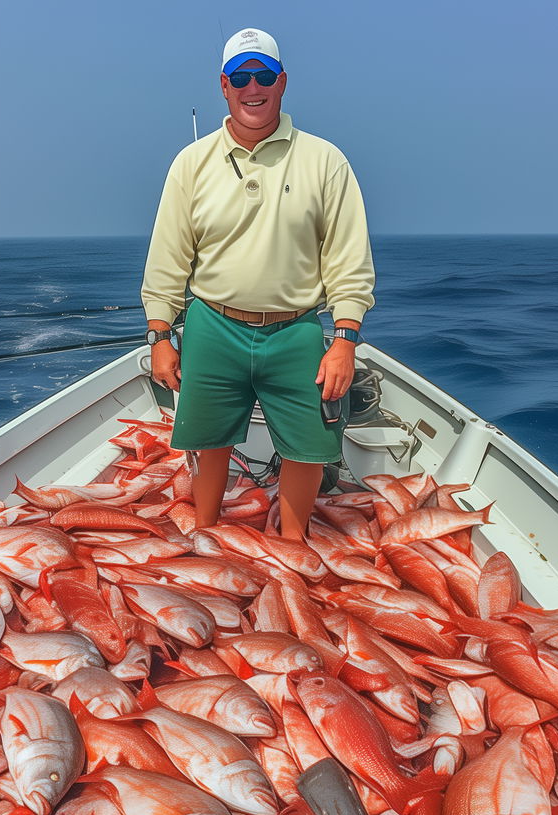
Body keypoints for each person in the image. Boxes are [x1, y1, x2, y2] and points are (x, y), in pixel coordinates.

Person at [141, 27, 375, 539]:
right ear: (223, 86)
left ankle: (292, 548)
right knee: (207, 439)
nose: (253, 87)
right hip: (211, 324)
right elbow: (167, 259)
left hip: (296, 331)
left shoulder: (325, 161)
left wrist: (344, 341)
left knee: (309, 445)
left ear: (282, 82)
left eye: (263, 75)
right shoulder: (191, 163)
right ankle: (205, 534)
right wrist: (160, 337)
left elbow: (348, 262)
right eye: (240, 77)